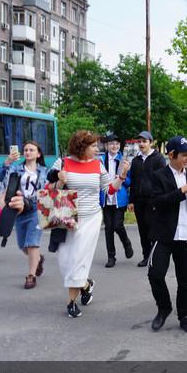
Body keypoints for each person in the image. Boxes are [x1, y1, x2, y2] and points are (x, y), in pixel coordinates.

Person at [49, 130, 129, 318]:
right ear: (81, 147)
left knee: (78, 259)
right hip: (66, 216)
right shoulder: (62, 163)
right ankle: (85, 285)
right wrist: (59, 181)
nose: (97, 149)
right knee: (65, 261)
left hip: (91, 218)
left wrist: (122, 176)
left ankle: (71, 302)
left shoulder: (97, 164)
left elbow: (109, 190)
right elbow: (49, 190)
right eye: (93, 146)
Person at [147, 136, 187, 333]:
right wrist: (183, 190)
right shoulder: (159, 175)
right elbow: (157, 202)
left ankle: (185, 316)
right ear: (171, 155)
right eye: (184, 155)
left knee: (185, 280)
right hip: (164, 234)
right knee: (155, 274)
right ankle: (164, 308)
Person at [0, 141, 49, 288]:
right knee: (22, 245)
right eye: (26, 150)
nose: (28, 152)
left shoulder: (44, 171)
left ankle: (31, 276)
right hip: (19, 207)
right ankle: (38, 258)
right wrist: (7, 163)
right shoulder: (16, 169)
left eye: (31, 150)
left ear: (38, 154)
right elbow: (2, 179)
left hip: (37, 207)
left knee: (32, 242)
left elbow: (52, 184)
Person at [129, 131, 167, 268]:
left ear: (151, 143)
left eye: (144, 141)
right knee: (142, 230)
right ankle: (146, 256)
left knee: (153, 228)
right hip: (139, 200)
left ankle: (155, 256)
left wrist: (159, 199)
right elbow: (133, 181)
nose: (141, 144)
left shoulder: (159, 158)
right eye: (139, 142)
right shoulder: (136, 161)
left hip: (153, 200)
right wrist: (131, 200)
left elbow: (162, 180)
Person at [99, 134, 134, 268]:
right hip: (106, 198)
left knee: (117, 225)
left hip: (120, 199)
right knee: (108, 229)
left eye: (117, 144)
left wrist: (123, 176)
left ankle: (126, 243)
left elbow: (129, 182)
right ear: (106, 145)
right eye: (111, 143)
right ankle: (111, 257)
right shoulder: (101, 161)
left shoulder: (124, 161)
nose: (114, 146)